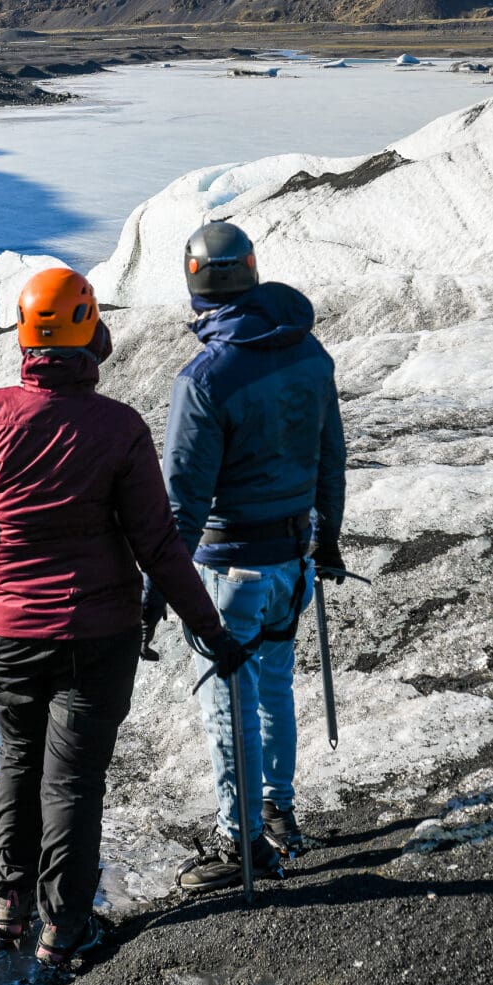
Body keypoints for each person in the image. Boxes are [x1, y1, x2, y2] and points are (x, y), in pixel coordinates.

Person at [0, 266, 246, 966]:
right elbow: (156, 545)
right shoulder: (119, 427)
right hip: (97, 635)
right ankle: (63, 930)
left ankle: (8, 904)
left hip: (9, 631)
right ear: (89, 333)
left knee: (19, 757)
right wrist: (210, 629)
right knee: (73, 781)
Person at [150, 222, 348, 893]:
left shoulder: (204, 379)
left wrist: (158, 593)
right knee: (272, 688)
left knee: (224, 706)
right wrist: (327, 537)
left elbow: (181, 505)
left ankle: (241, 845)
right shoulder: (309, 351)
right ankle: (280, 815)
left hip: (227, 566)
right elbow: (331, 456)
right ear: (252, 273)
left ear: (194, 281)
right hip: (291, 556)